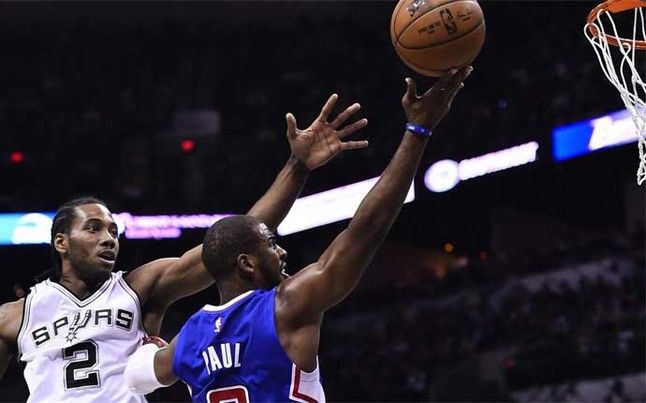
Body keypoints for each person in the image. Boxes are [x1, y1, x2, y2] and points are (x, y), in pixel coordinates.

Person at [124, 67, 472, 401]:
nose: (282, 253)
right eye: (271, 244)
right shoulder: (285, 305)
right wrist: (418, 130)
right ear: (246, 263)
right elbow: (367, 229)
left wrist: (152, 344)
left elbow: (134, 376)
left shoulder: (188, 340)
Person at [0, 94, 369, 402]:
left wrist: (297, 166)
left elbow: (239, 237)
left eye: (113, 230)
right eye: (93, 229)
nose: (109, 238)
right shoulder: (15, 315)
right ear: (61, 242)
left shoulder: (138, 288)